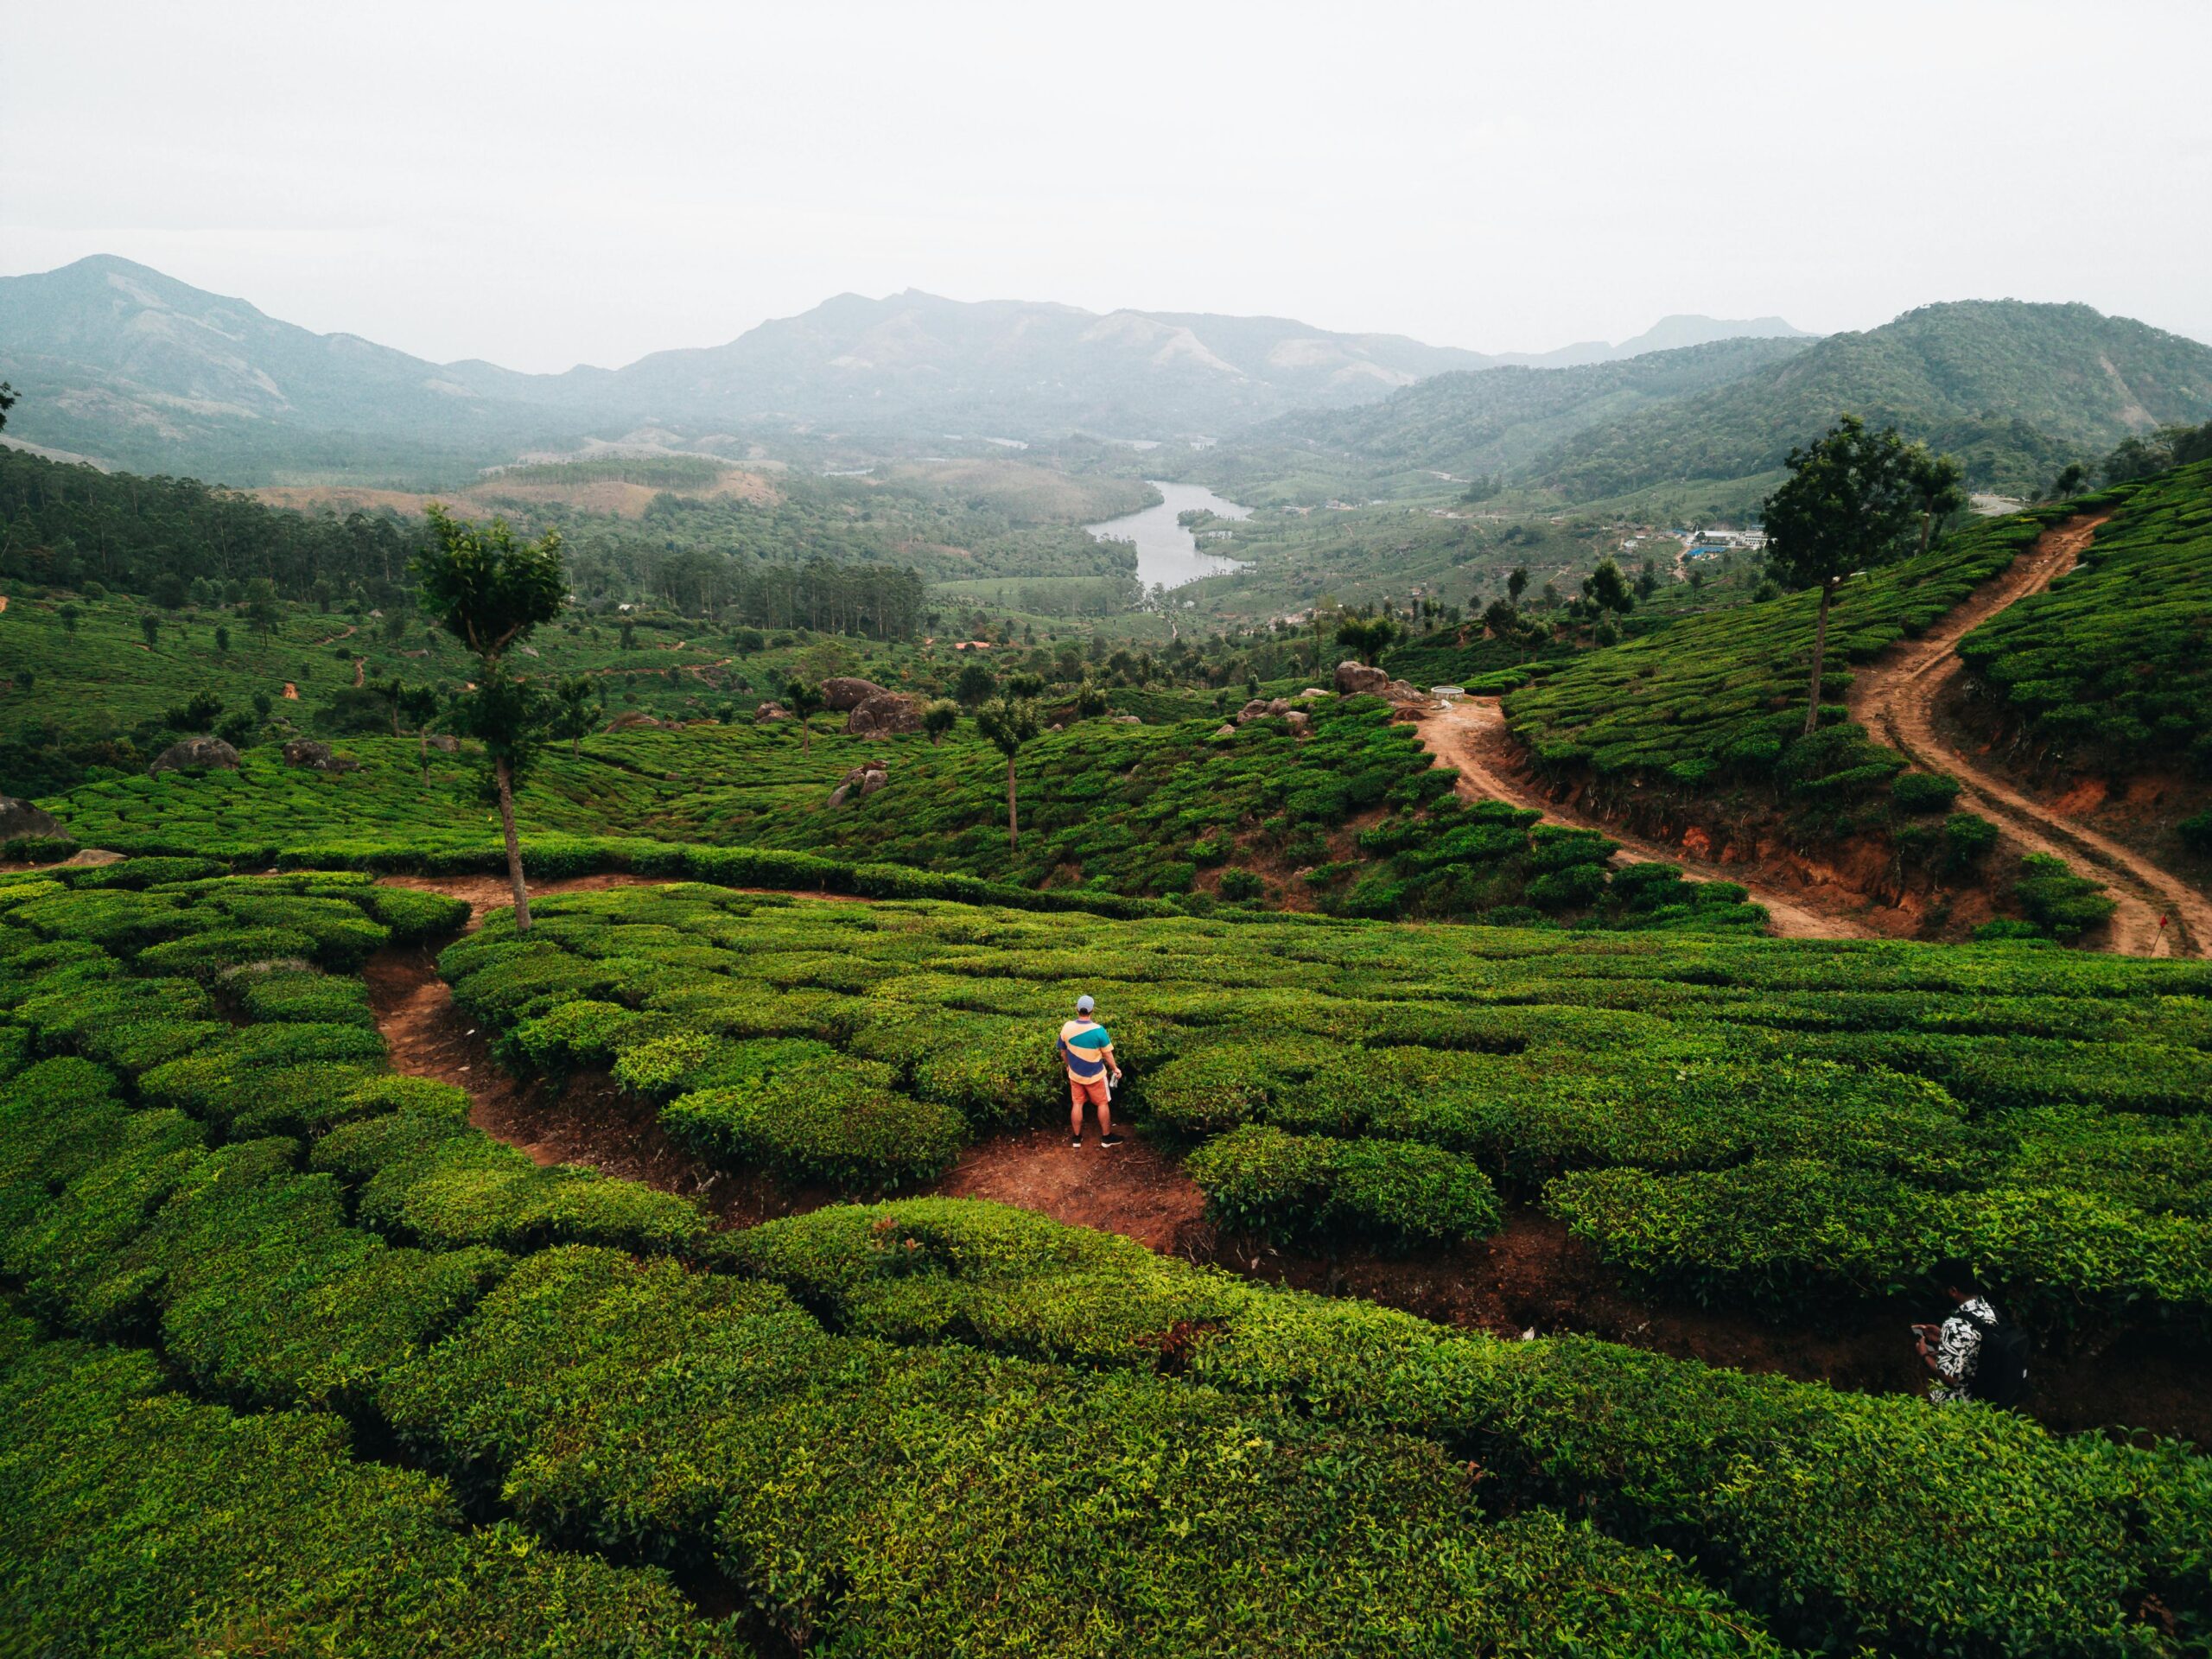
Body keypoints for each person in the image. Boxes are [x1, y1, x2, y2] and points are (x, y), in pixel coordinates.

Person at [1912, 1258, 2029, 1408]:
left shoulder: (1955, 1324)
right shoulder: (1989, 1308)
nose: (1940, 1292)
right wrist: (1943, 1337)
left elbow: (1950, 1377)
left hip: (1973, 1397)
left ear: (1953, 1291)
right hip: (1996, 1388)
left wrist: (1925, 1355)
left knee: (1928, 1395)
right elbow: (1982, 1341)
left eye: (1941, 1288)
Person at [1058, 994, 1122, 1148]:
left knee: (1077, 1104)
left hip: (1075, 1075)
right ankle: (1106, 1138)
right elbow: (1107, 1054)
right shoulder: (1099, 1030)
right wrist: (1115, 1068)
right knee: (1102, 1104)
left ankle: (1076, 1139)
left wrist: (1068, 1066)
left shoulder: (1067, 1027)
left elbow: (1063, 1051)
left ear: (1077, 1009)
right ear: (1092, 1010)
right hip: (1095, 1076)